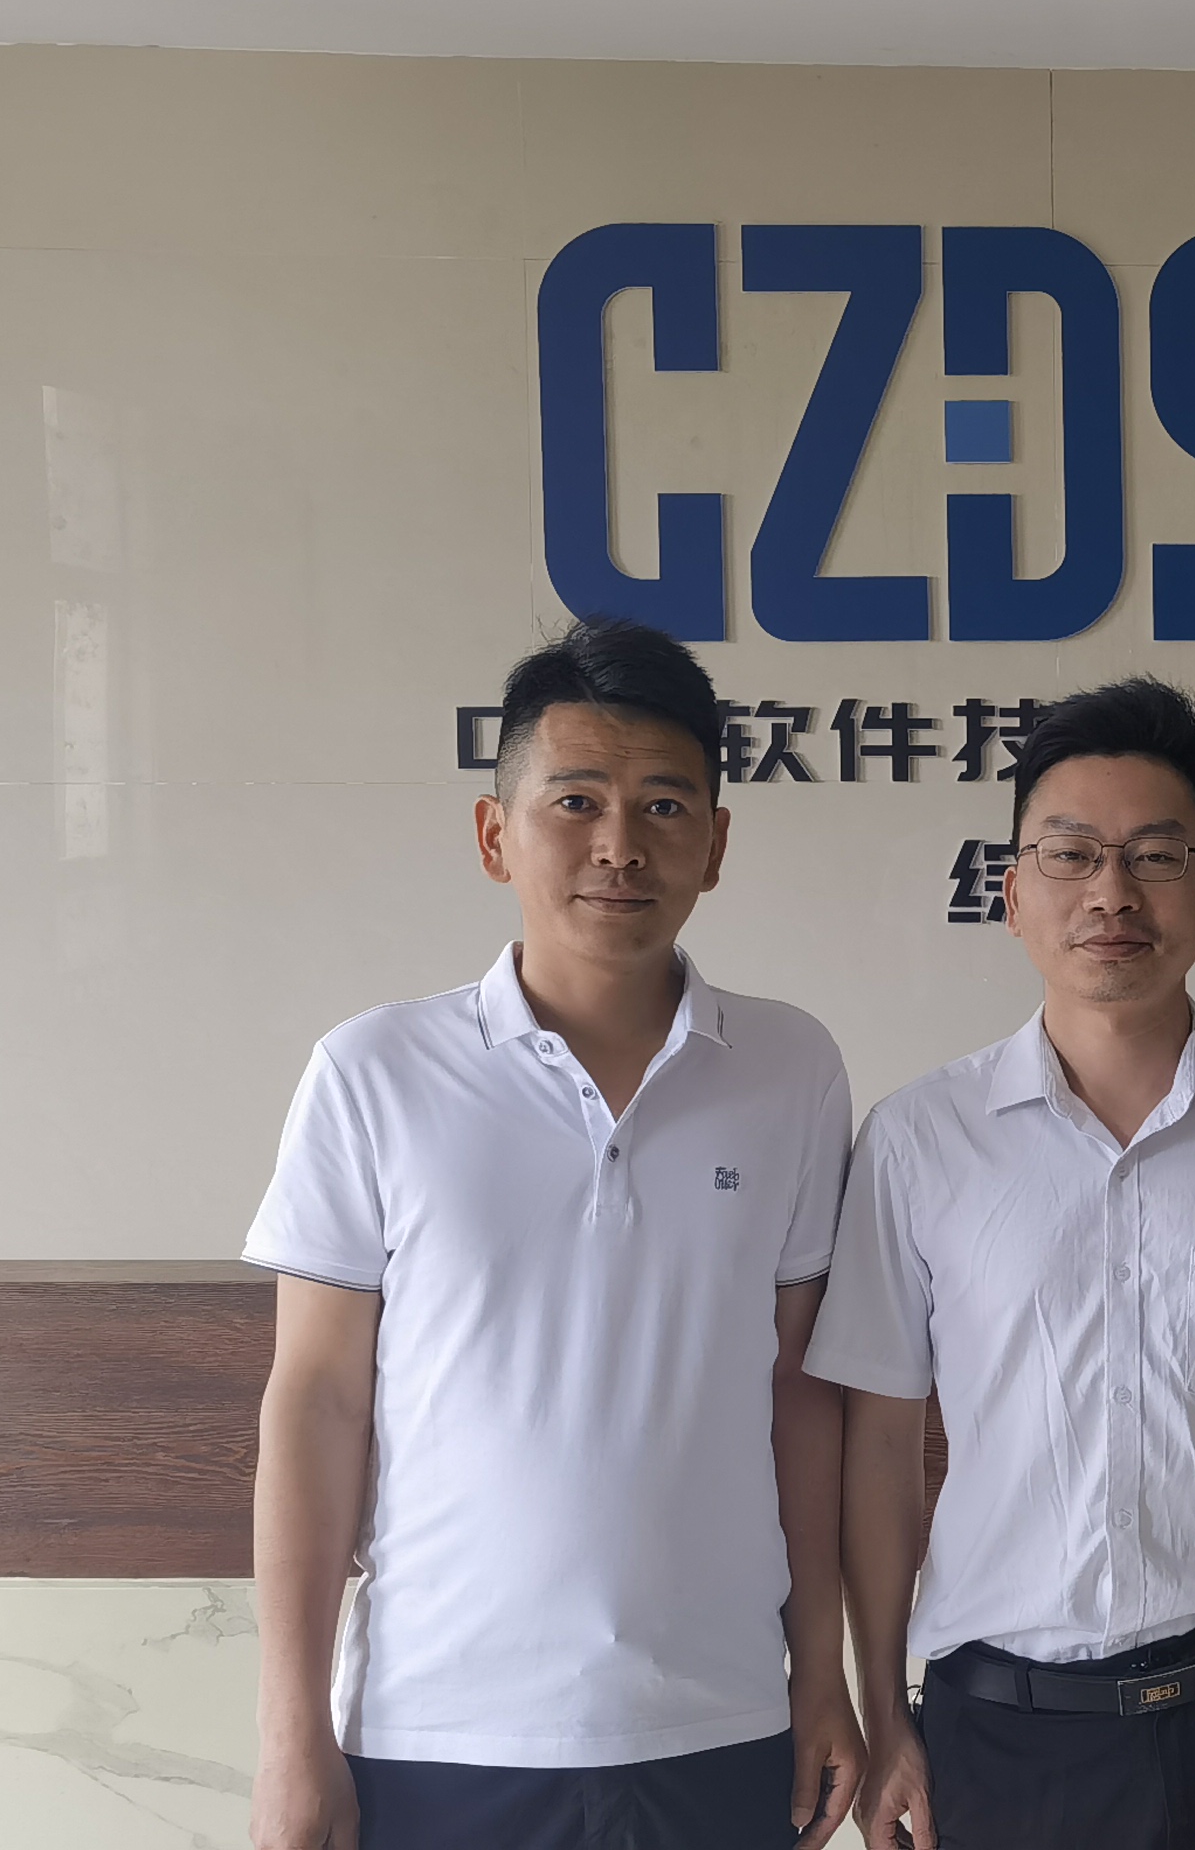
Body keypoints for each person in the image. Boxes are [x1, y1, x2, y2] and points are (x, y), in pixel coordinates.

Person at [243, 620, 864, 1850]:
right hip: (440, 1732)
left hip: (720, 1720)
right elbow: (315, 1402)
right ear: (495, 834)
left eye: (664, 806)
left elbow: (801, 1393)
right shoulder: (375, 1071)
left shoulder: (790, 1067)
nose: (619, 844)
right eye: (575, 801)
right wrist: (290, 1734)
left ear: (716, 843)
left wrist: (820, 1674)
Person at [812, 678, 1195, 1850]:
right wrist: (883, 1710)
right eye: (1070, 854)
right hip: (1001, 1736)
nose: (1111, 892)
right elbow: (880, 1451)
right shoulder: (918, 1140)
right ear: (1011, 893)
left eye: (1156, 856)